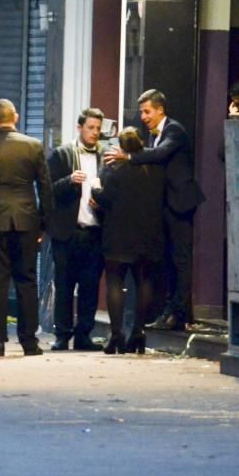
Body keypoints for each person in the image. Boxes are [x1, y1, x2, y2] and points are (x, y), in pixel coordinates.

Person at [104, 89, 205, 330]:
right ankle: (173, 310)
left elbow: (160, 154)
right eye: (141, 112)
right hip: (164, 205)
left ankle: (179, 313)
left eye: (147, 111)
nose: (143, 117)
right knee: (168, 261)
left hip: (180, 203)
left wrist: (128, 156)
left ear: (160, 109)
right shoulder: (153, 135)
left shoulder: (174, 130)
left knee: (181, 260)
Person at [0, 99, 54, 357]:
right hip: (27, 220)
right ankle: (29, 341)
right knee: (27, 279)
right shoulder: (34, 146)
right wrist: (43, 222)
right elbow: (45, 187)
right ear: (14, 117)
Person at [93, 127, 165, 354]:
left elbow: (105, 199)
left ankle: (117, 336)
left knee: (115, 282)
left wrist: (95, 188)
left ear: (121, 149)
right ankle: (139, 332)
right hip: (148, 236)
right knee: (144, 282)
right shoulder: (156, 171)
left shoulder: (115, 172)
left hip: (118, 236)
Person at [46, 108, 106, 351]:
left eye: (98, 129)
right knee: (64, 285)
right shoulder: (61, 154)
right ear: (80, 127)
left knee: (90, 286)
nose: (94, 133)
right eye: (90, 128)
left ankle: (84, 334)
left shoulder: (105, 156)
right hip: (67, 232)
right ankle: (62, 334)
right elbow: (48, 190)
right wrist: (69, 180)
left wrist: (103, 201)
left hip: (95, 230)